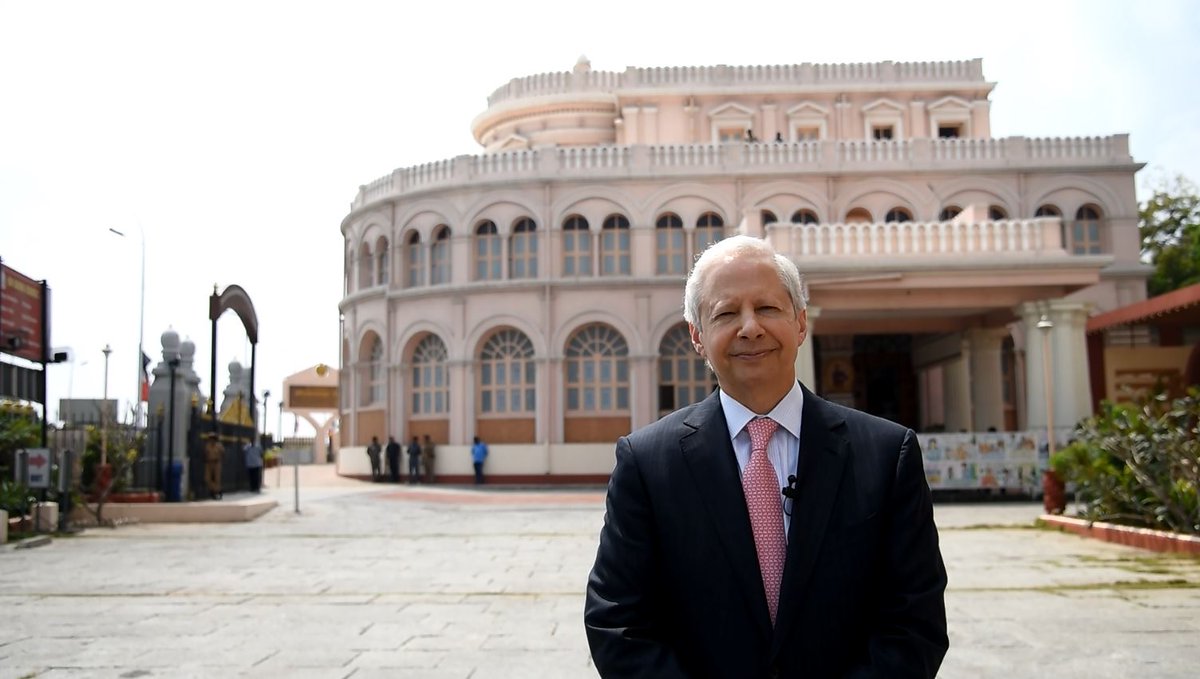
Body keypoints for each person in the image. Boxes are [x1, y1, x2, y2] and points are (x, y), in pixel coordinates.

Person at [584, 235, 948, 678]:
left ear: (800, 323)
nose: (750, 327)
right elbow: (616, 621)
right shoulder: (647, 463)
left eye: (768, 308)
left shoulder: (887, 455)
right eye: (726, 313)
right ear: (698, 337)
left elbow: (915, 621)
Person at [203, 433, 224, 500]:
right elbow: (205, 454)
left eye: (212, 438)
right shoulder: (207, 446)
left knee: (217, 479)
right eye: (210, 438)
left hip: (216, 463)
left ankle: (215, 493)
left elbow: (223, 453)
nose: (211, 440)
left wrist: (219, 458)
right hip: (209, 463)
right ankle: (218, 490)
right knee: (207, 479)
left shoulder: (219, 446)